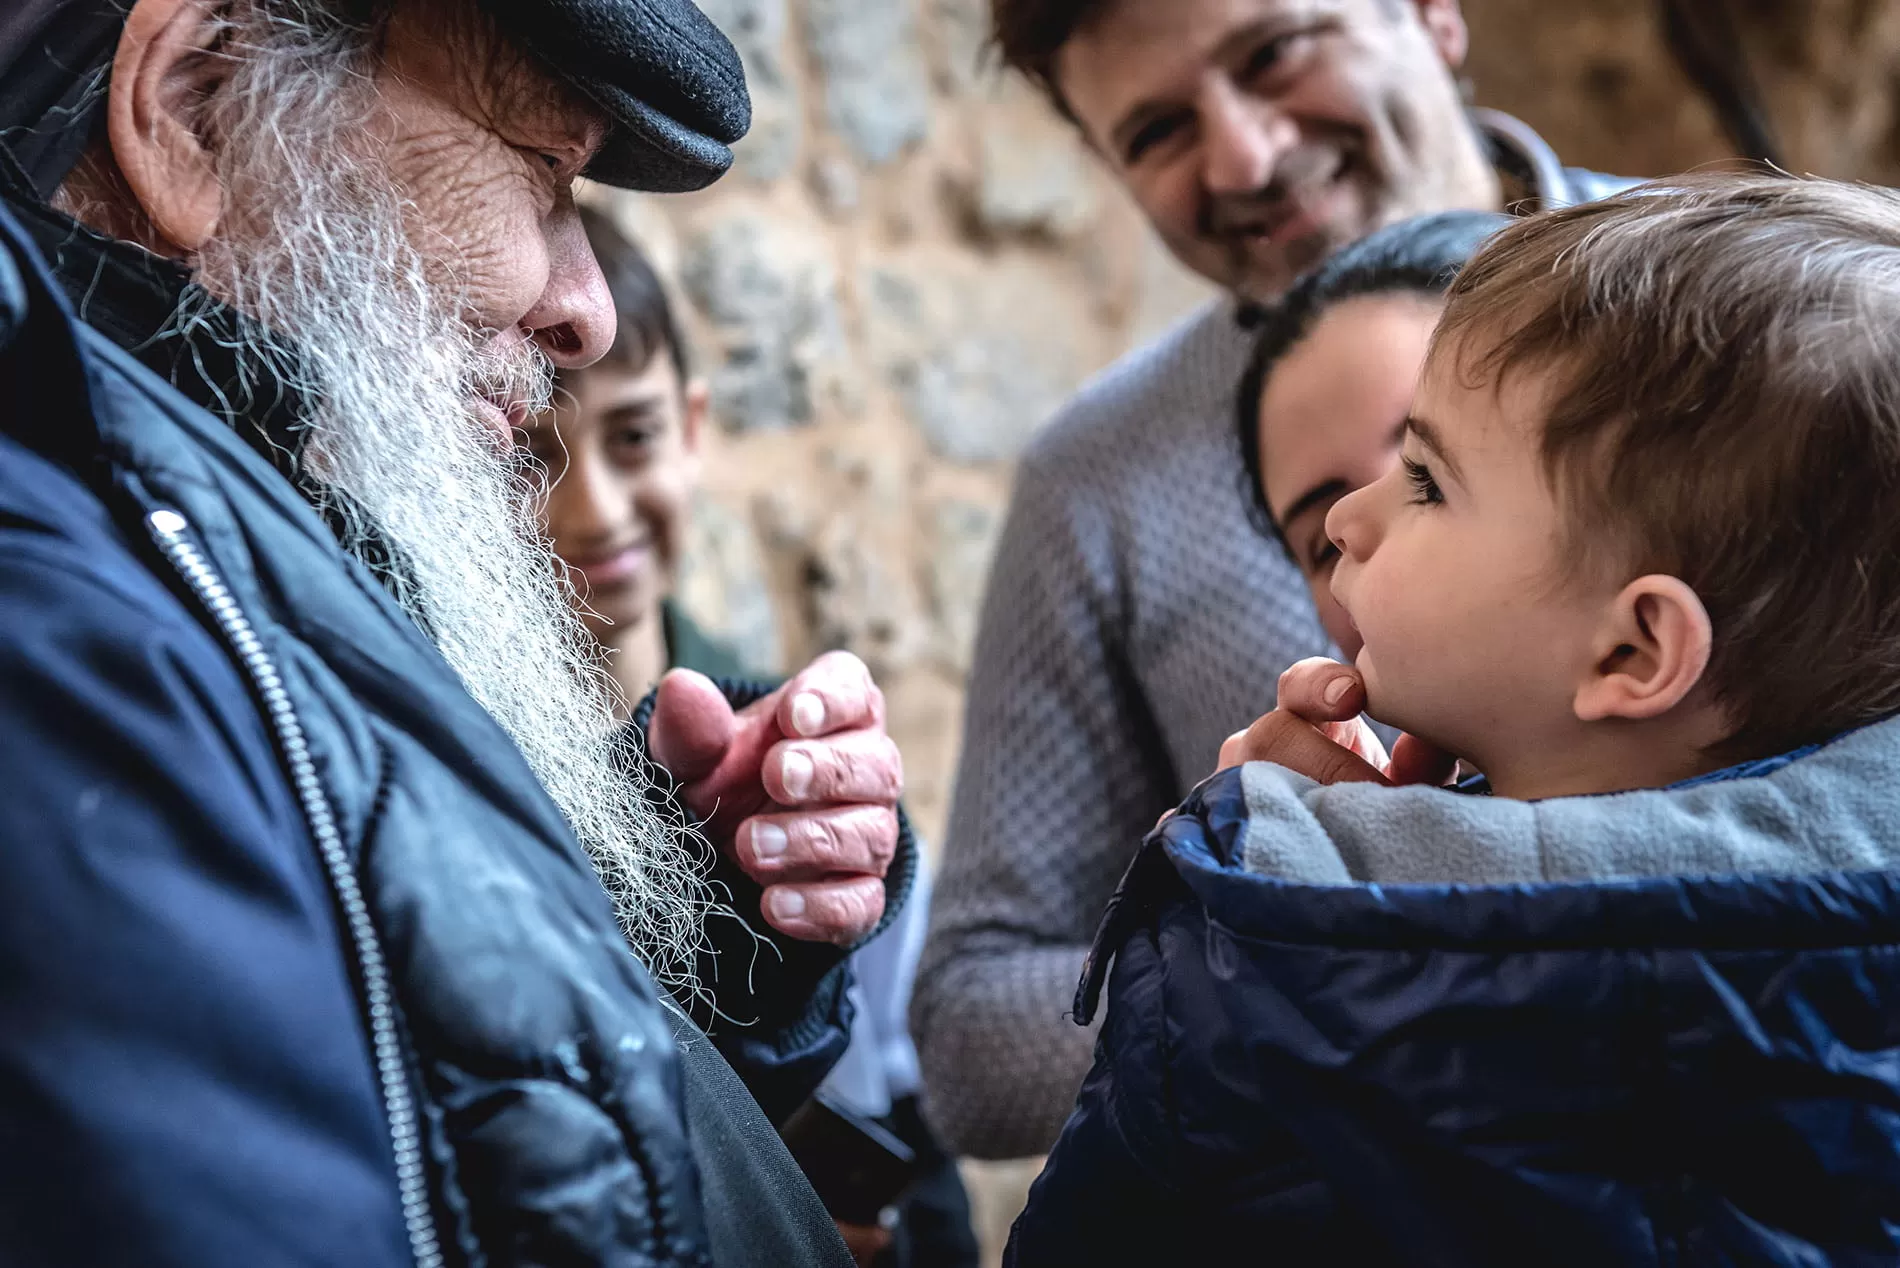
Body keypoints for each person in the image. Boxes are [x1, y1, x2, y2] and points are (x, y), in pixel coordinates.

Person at [0, 0, 913, 1263]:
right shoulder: (72, 623)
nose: (584, 309)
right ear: (193, 106)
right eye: (544, 169)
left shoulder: (217, 578)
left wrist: (691, 946)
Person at [1008, 175, 1900, 1265]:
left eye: (1423, 478)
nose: (1350, 519)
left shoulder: (1273, 958)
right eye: (1309, 530)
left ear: (1632, 650)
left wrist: (1255, 897)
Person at [913, 0, 1634, 1159]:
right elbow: (970, 1028)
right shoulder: (1097, 484)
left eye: (1273, 52)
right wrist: (1263, 939)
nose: (1243, 156)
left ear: (1431, 14)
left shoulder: (1799, 308)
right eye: (1155, 131)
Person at [525, 206, 978, 1268]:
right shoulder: (472, 775)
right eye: (535, 459)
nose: (592, 508)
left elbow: (916, 1119)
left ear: (692, 427)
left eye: (631, 436)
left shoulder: (800, 757)